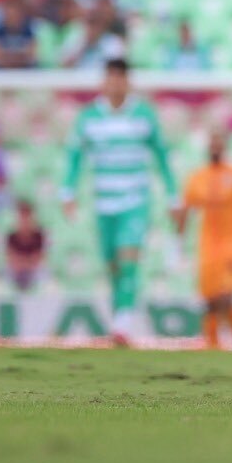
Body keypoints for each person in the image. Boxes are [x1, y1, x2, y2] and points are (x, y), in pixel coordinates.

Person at [60, 59, 176, 344]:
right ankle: (119, 319)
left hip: (135, 201)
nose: (114, 83)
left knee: (128, 261)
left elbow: (161, 155)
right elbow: (75, 157)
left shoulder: (143, 114)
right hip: (103, 202)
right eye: (110, 77)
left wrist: (174, 194)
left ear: (127, 81)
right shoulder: (88, 117)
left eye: (120, 78)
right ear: (104, 81)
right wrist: (68, 192)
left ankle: (123, 323)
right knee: (112, 266)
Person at [176, 130, 232, 350]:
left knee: (228, 294)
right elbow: (185, 210)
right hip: (207, 246)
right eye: (211, 143)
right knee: (211, 299)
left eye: (218, 143)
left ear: (225, 146)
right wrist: (177, 243)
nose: (215, 147)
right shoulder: (198, 177)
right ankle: (213, 345)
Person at [5, 198, 47, 291]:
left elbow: (39, 259)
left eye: (27, 217)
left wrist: (24, 262)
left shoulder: (39, 235)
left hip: (34, 272)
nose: (24, 221)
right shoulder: (11, 236)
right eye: (22, 217)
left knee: (44, 275)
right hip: (16, 272)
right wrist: (27, 261)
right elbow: (11, 260)